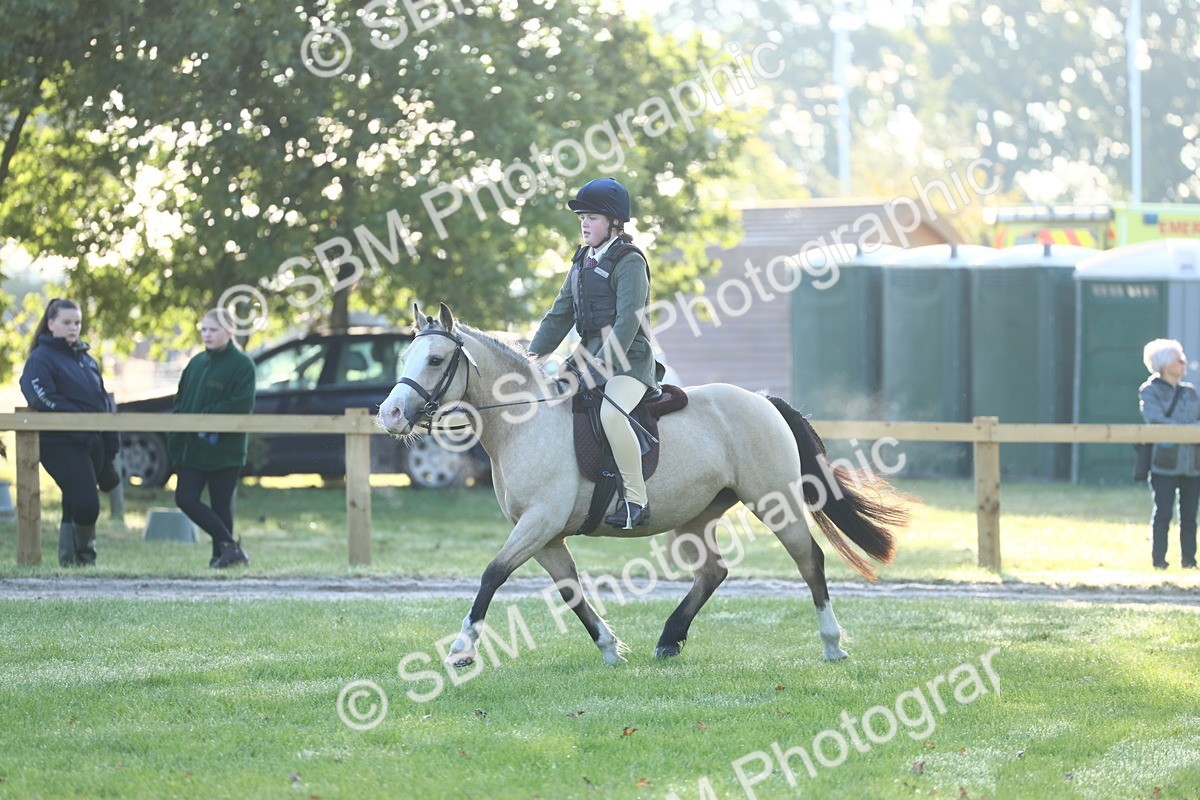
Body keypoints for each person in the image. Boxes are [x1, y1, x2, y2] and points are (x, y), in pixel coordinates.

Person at [528, 177, 659, 529]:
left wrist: (604, 359)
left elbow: (628, 318)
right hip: (585, 359)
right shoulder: (581, 261)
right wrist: (531, 358)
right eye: (582, 218)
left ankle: (636, 501)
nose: (584, 224)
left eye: (592, 218)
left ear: (614, 222)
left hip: (628, 362)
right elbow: (558, 315)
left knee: (612, 414)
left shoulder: (629, 261)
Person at [19, 298, 120, 566]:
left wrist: (110, 443)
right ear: (51, 323)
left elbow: (102, 400)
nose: (73, 327)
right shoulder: (40, 359)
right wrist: (80, 420)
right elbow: (41, 397)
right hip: (60, 443)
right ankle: (86, 558)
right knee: (87, 504)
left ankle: (70, 563)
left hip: (92, 442)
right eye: (66, 322)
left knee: (74, 503)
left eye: (77, 323)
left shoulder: (86, 359)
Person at [169, 309, 256, 568]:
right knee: (185, 499)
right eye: (204, 329)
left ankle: (221, 557)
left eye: (213, 330)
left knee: (221, 505)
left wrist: (204, 418)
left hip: (225, 450)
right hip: (191, 449)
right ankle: (230, 547)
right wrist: (178, 435)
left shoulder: (243, 365)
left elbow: (241, 405)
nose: (207, 334)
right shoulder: (196, 363)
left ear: (229, 332)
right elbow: (180, 402)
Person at [1138, 338, 1200, 570]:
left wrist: (1187, 430)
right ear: (1165, 364)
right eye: (1179, 359)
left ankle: (1189, 562)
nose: (1184, 363)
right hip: (1164, 463)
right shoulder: (1149, 391)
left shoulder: (1190, 392)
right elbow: (1155, 419)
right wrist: (1188, 430)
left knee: (1190, 516)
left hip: (1193, 464)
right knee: (1163, 513)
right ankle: (1159, 562)